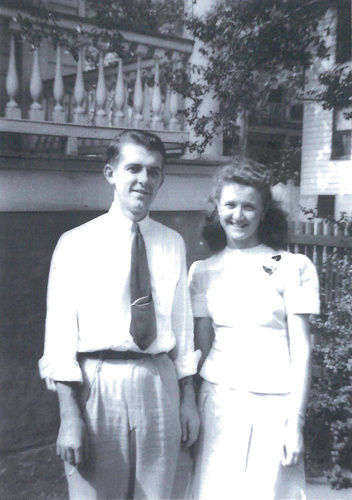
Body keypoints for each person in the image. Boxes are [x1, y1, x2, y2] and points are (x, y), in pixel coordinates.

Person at [39, 130, 200, 500]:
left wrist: (187, 400)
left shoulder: (172, 243)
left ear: (162, 179)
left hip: (159, 382)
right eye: (133, 168)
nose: (144, 180)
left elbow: (183, 328)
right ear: (111, 173)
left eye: (154, 171)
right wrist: (69, 416)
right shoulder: (76, 243)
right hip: (98, 383)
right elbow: (60, 336)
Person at [188, 159, 320, 500]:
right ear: (217, 209)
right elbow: (201, 349)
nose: (239, 215)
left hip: (275, 405)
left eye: (250, 207)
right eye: (230, 205)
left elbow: (302, 350)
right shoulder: (202, 271)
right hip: (218, 403)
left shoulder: (292, 268)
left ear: (264, 214)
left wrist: (296, 421)